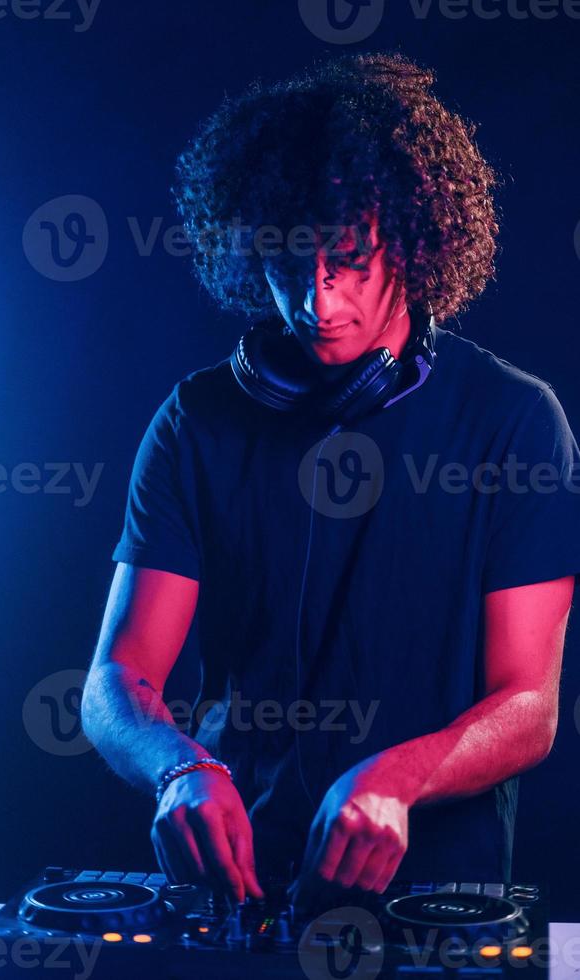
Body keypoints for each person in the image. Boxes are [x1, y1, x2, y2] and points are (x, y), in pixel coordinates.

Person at [81, 52, 580, 907]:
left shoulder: (515, 422)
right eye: (288, 262)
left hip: (434, 903)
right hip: (239, 893)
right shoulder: (197, 422)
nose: (316, 299)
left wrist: (398, 776)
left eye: (349, 259)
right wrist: (179, 770)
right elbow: (114, 683)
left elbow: (529, 705)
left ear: (416, 244)